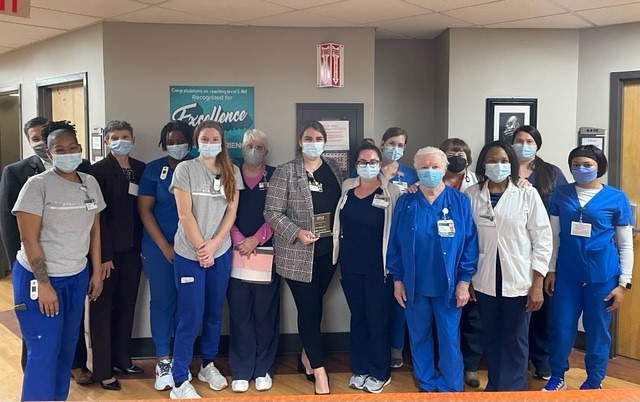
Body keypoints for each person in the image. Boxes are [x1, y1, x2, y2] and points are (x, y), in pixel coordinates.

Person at [11, 120, 105, 401]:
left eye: (73, 148)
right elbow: (29, 239)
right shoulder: (36, 185)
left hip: (76, 275)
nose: (68, 153)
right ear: (49, 153)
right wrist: (44, 283)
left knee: (66, 350)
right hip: (37, 278)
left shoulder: (89, 183)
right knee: (44, 349)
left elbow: (95, 229)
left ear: (80, 149)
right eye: (60, 149)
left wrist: (97, 270)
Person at [387, 146, 478, 392]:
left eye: (435, 167)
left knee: (449, 338)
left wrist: (464, 282)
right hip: (413, 284)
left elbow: (470, 243)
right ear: (416, 170)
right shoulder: (406, 202)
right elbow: (394, 243)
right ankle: (426, 383)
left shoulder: (459, 201)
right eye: (424, 167)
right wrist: (397, 279)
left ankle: (451, 387)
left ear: (444, 169)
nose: (430, 171)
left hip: (448, 285)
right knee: (418, 337)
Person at [543, 145, 633, 392]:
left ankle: (594, 381)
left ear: (599, 167)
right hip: (567, 274)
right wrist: (550, 270)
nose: (581, 169)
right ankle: (557, 376)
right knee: (561, 327)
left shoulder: (616, 198)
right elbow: (554, 237)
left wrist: (624, 283)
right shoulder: (560, 194)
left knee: (597, 331)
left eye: (587, 165)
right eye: (576, 165)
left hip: (603, 276)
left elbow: (625, 245)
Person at [466, 140, 552, 391]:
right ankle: (495, 388)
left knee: (515, 341)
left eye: (504, 161)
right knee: (491, 338)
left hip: (519, 279)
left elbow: (543, 240)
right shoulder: (472, 195)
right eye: (492, 160)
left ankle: (513, 392)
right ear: (483, 163)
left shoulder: (527, 193)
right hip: (484, 280)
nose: (498, 165)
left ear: (512, 164)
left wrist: (537, 283)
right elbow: (467, 240)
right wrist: (469, 279)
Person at [264, 120, 342, 395]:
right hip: (298, 253)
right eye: (308, 138)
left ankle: (306, 356)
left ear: (324, 141)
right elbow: (271, 212)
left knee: (315, 308)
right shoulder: (286, 172)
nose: (313, 142)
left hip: (327, 253)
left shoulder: (333, 169)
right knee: (309, 310)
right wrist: (296, 232)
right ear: (300, 141)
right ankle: (319, 371)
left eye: (318, 138)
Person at [169, 120, 243, 399]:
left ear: (222, 142)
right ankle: (179, 379)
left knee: (214, 312)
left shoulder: (231, 171)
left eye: (215, 138)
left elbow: (231, 214)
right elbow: (184, 214)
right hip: (190, 254)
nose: (210, 142)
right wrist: (202, 247)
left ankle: (208, 364)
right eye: (205, 138)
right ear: (196, 141)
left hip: (220, 252)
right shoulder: (185, 170)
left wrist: (213, 246)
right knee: (190, 315)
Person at [333, 140, 401, 394]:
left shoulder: (392, 192)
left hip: (379, 269)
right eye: (363, 162)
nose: (368, 166)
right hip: (350, 266)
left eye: (373, 162)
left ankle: (379, 371)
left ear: (380, 165)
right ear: (356, 165)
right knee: (358, 318)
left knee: (377, 320)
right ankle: (359, 368)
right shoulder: (347, 188)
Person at [88, 120, 146, 391]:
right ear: (106, 141)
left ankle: (123, 358)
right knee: (102, 311)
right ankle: (102, 369)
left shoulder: (140, 169)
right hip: (106, 255)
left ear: (133, 139)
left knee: (126, 307)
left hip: (134, 252)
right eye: (114, 137)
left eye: (125, 136)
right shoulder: (96, 172)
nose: (120, 140)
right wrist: (103, 256)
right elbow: (97, 219)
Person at [138, 120, 193, 391]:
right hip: (159, 248)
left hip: (193, 248)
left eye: (181, 139)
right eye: (171, 140)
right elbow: (145, 210)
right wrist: (165, 246)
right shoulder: (152, 170)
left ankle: (182, 359)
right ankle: (163, 360)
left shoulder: (200, 167)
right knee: (162, 301)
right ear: (163, 144)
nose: (176, 145)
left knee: (189, 304)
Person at [511, 125, 568, 381]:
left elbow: (564, 207)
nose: (524, 145)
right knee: (518, 307)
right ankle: (517, 360)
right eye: (519, 140)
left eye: (529, 141)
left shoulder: (550, 173)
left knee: (543, 305)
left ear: (537, 145)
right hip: (512, 249)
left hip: (544, 247)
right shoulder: (504, 169)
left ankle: (541, 359)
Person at [227, 129, 279, 393]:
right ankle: (241, 369)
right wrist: (239, 238)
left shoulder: (276, 176)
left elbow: (281, 211)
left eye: (259, 146)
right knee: (239, 313)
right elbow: (225, 211)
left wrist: (256, 239)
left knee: (264, 312)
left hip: (265, 254)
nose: (253, 150)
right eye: (249, 145)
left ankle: (263, 369)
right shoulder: (230, 174)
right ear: (241, 148)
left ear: (266, 152)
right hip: (236, 252)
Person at [438, 138, 482, 388]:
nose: (456, 156)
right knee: (443, 318)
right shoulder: (432, 180)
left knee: (472, 318)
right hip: (441, 262)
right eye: (450, 153)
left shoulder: (478, 185)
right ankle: (443, 365)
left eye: (460, 153)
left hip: (470, 258)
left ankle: (471, 366)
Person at [377, 127, 418, 369]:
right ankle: (378, 345)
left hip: (401, 245)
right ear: (382, 143)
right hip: (373, 243)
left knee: (400, 299)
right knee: (376, 300)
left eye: (400, 145)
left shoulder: (411, 175)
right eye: (391, 142)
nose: (395, 148)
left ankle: (396, 347)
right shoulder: (368, 168)